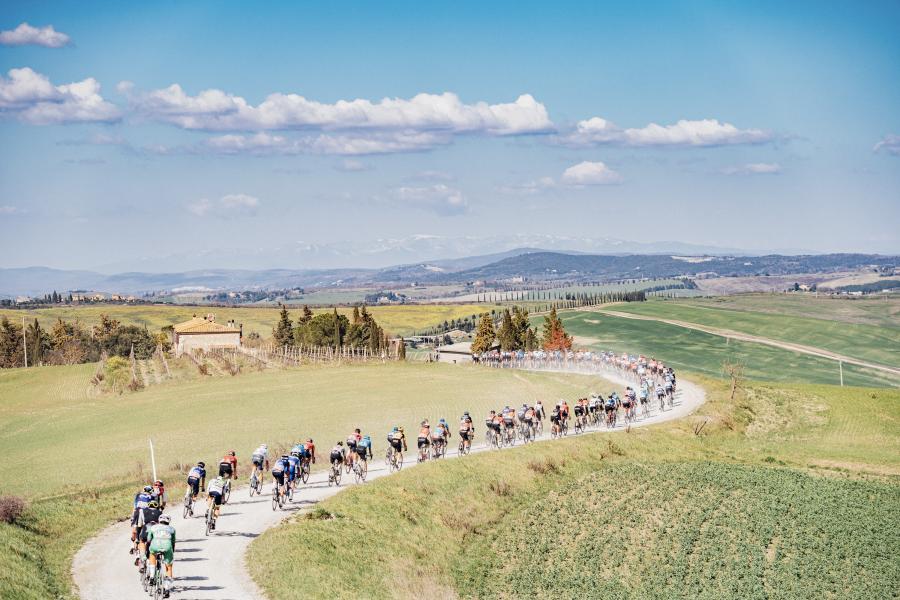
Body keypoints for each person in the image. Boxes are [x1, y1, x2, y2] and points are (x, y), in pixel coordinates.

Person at [146, 514, 176, 598]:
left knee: (152, 555)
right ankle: (166, 589)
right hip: (167, 547)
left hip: (155, 545)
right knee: (169, 567)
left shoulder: (153, 527)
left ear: (159, 520)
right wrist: (171, 552)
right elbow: (173, 542)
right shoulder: (172, 529)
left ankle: (152, 576)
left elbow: (148, 539)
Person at [135, 499, 162, 567]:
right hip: (156, 531)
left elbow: (139, 524)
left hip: (146, 529)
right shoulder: (160, 512)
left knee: (142, 541)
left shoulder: (142, 511)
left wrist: (138, 537)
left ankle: (143, 556)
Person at [131, 485, 154, 549]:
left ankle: (133, 544)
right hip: (145, 513)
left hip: (137, 512)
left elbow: (135, 506)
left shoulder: (138, 495)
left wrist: (133, 515)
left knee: (135, 528)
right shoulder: (151, 497)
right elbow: (152, 508)